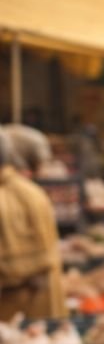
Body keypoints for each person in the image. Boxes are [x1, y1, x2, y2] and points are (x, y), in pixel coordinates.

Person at [0, 127, 65, 320]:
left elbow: (15, 269)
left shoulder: (11, 197)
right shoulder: (31, 191)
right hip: (41, 307)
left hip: (19, 315)